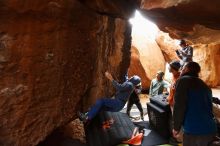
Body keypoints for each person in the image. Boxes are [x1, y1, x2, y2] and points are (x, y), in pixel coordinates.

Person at [172, 61, 217, 146]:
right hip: (211, 128)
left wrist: (176, 127)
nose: (181, 70)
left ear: (186, 69)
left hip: (194, 130)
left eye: (182, 68)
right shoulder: (205, 85)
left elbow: (179, 106)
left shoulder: (183, 81)